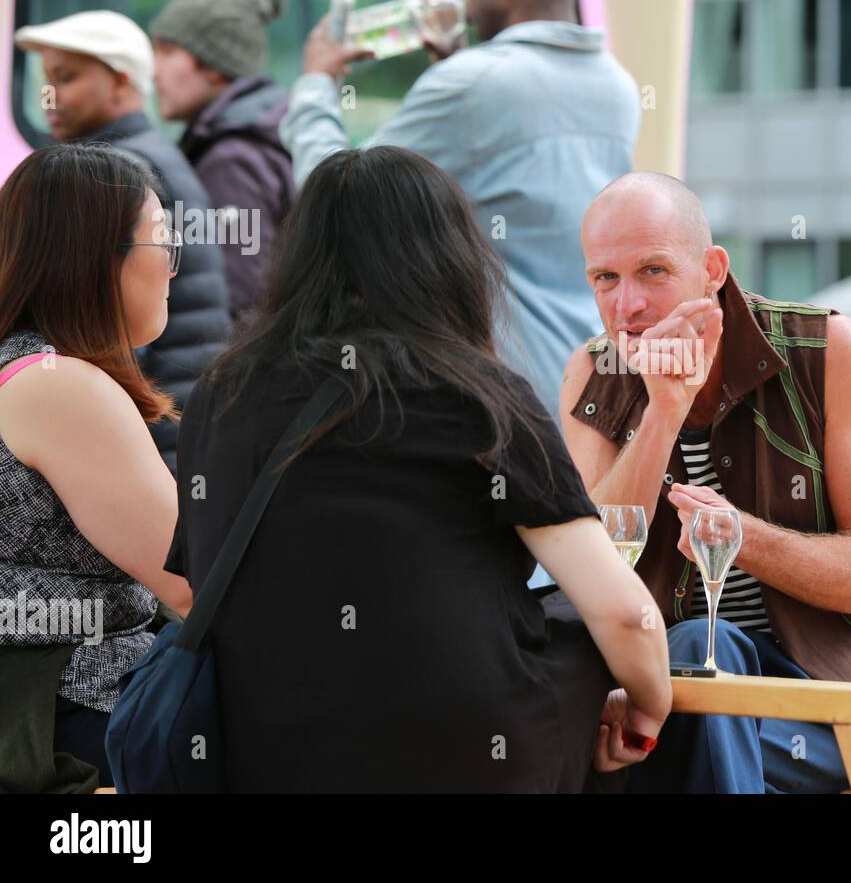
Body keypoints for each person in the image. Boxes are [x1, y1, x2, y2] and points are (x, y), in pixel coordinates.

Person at [161, 146, 671, 792]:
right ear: (448, 258)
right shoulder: (474, 393)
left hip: (262, 754)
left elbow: (194, 587)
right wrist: (648, 712)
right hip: (466, 756)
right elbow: (625, 615)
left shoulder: (217, 393)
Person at [559, 172, 851, 794]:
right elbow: (595, 565)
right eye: (604, 279)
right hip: (675, 703)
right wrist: (663, 409)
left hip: (824, 706)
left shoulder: (828, 352)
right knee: (694, 668)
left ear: (712, 271)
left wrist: (741, 537)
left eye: (654, 272)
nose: (627, 305)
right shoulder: (597, 371)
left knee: (696, 663)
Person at [279, 0, 639, 425]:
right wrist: (455, 63)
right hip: (599, 393)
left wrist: (317, 82)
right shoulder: (616, 86)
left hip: (512, 400)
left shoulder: (473, 86)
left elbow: (337, 193)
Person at [0, 144, 193, 790]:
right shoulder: (61, 386)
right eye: (162, 241)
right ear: (94, 258)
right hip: (72, 719)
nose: (172, 267)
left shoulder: (25, 366)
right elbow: (192, 579)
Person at [15, 10, 231, 472]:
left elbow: (106, 327)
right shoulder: (144, 160)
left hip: (151, 422)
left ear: (120, 82)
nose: (47, 96)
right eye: (46, 79)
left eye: (66, 78)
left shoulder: (116, 179)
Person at [151, 0, 295, 322]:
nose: (154, 72)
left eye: (168, 52)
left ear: (214, 67)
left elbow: (240, 301)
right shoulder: (263, 131)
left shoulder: (231, 159)